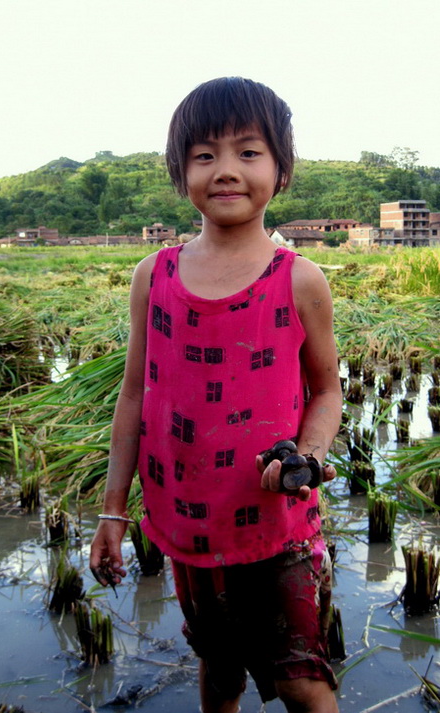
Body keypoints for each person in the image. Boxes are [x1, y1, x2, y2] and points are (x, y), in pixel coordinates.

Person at [90, 77, 343, 713]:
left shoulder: (300, 279)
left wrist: (306, 457)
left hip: (279, 522)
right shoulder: (156, 275)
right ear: (181, 174)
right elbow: (132, 399)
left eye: (248, 152)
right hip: (189, 523)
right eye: (205, 155)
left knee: (303, 682)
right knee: (219, 667)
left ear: (281, 171)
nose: (226, 171)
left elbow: (327, 389)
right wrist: (113, 512)